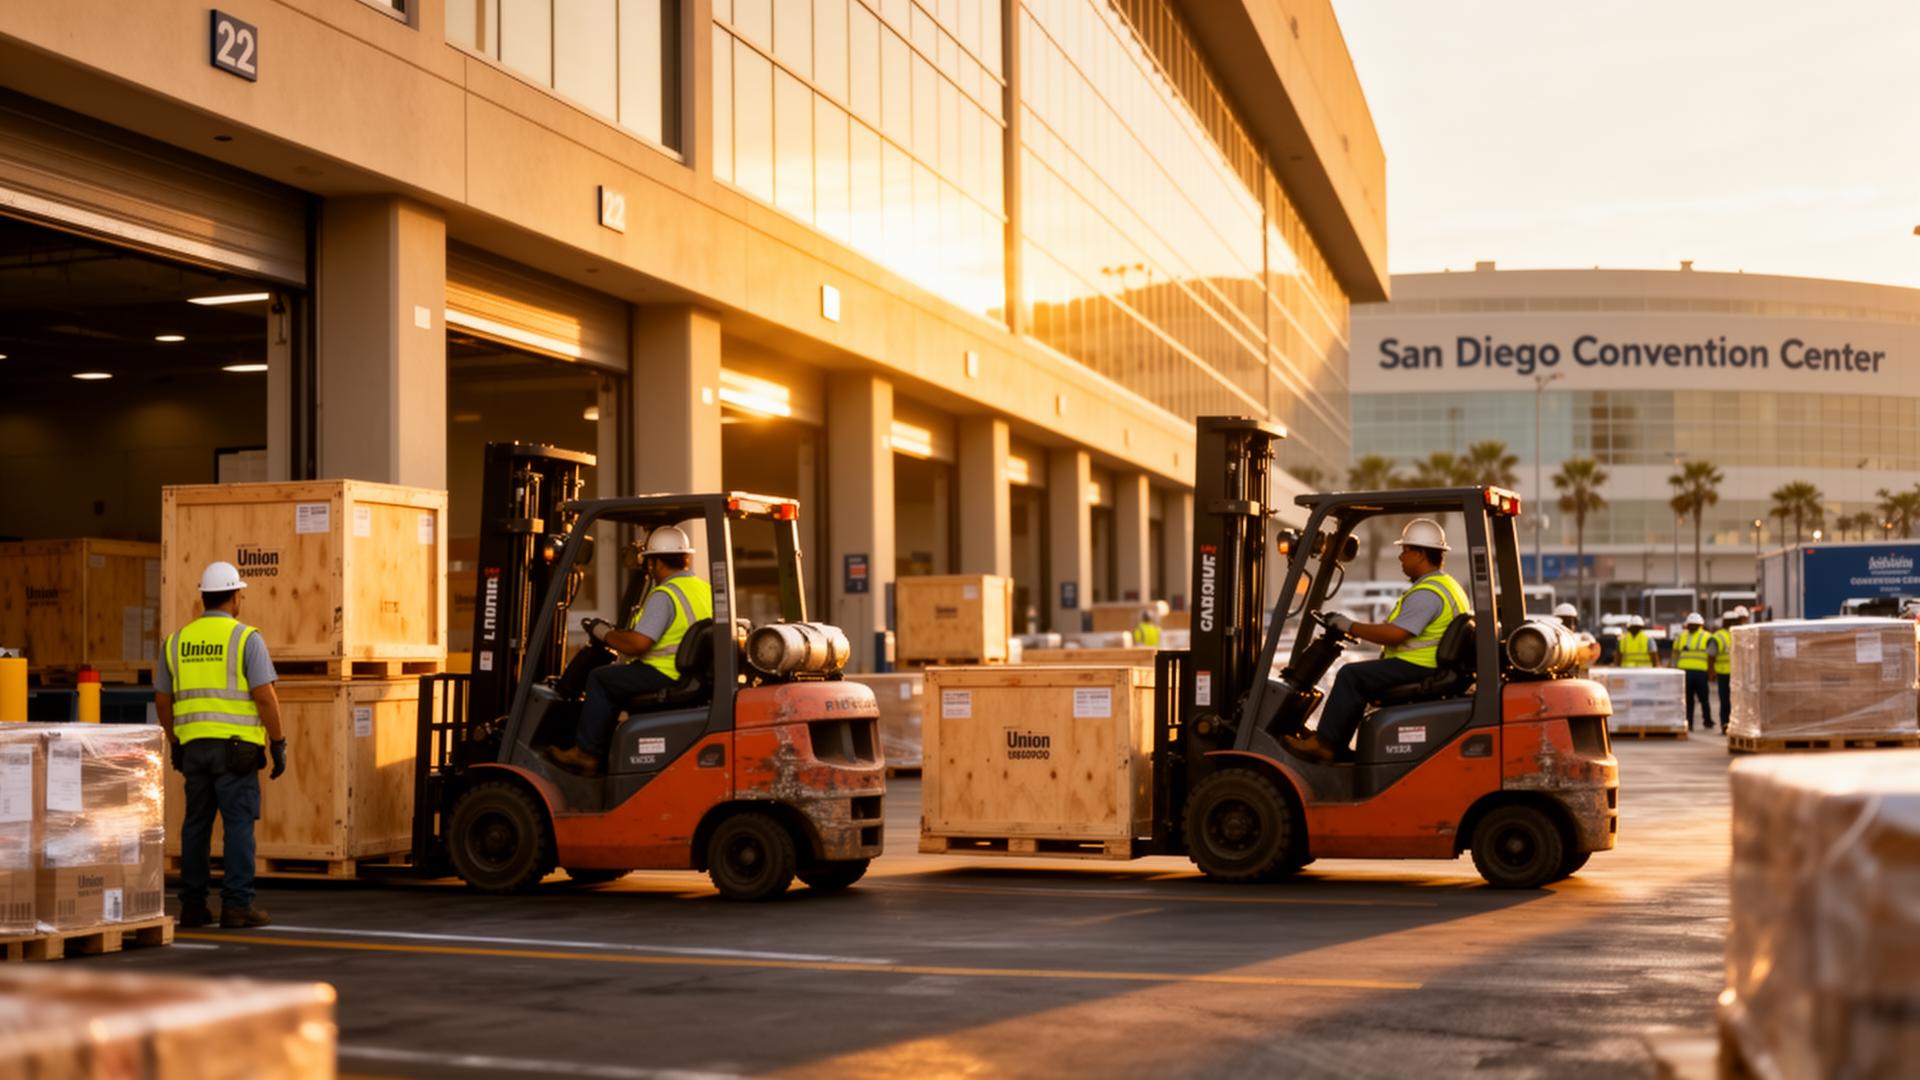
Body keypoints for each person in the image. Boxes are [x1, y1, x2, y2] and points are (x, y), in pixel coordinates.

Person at [157, 561, 287, 930]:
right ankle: (237, 905)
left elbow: (163, 702)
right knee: (239, 826)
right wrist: (278, 743)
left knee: (195, 826)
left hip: (194, 748)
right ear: (234, 597)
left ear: (203, 598)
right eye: (240, 595)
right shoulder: (247, 639)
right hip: (237, 753)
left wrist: (175, 742)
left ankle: (194, 907)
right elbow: (265, 697)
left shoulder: (176, 642)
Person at [1283, 518, 1470, 764]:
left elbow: (1395, 634)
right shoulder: (1445, 585)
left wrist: (1349, 625)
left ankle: (1325, 745)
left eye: (1405, 551)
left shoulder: (1428, 592)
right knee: (1361, 677)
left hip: (1421, 666)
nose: (1401, 557)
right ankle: (1336, 745)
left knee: (1351, 675)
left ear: (1421, 554)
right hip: (1429, 665)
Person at [550, 526, 712, 775]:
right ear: (685, 558)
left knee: (600, 678)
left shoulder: (665, 595)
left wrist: (603, 633)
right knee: (618, 678)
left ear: (655, 562)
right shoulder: (703, 589)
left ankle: (587, 754)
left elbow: (638, 644)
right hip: (691, 675)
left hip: (666, 673)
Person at [1675, 611, 1715, 731]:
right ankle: (1701, 721)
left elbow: (1675, 653)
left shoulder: (1684, 636)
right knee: (1696, 699)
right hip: (1694, 672)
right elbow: (1675, 653)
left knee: (1696, 699)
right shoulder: (1706, 636)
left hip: (1695, 672)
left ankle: (1696, 721)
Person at [1714, 606, 1748, 732]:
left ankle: (1732, 723)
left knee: (1733, 700)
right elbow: (1712, 655)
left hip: (1733, 672)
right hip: (1728, 672)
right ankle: (1726, 723)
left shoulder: (1739, 633)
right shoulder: (1727, 635)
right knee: (1728, 700)